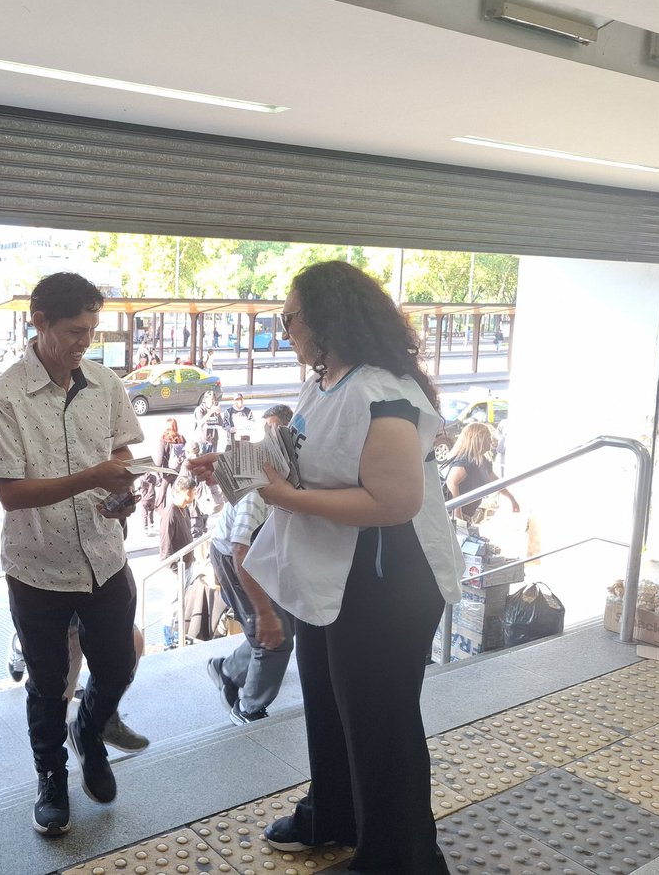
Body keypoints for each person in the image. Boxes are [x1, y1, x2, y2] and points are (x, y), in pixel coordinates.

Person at [192, 261, 462, 873]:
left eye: (289, 317)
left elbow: (395, 502)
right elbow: (297, 453)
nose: (284, 328)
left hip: (387, 580)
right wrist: (235, 466)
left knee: (380, 723)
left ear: (325, 318)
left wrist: (285, 498)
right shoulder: (326, 380)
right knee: (329, 703)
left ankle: (400, 859)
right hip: (329, 574)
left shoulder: (385, 392)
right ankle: (334, 811)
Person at [0, 271, 143, 837]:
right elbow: (11, 493)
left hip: (105, 556)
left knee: (118, 665)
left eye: (92, 331)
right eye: (75, 331)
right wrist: (94, 476)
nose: (85, 343)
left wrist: (121, 491)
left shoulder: (105, 383)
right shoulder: (4, 398)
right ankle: (51, 777)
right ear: (39, 321)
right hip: (37, 564)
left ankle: (89, 731)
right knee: (48, 685)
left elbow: (121, 453)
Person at [208, 403, 296, 725]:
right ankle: (247, 708)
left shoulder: (290, 468)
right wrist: (263, 613)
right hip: (235, 556)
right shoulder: (258, 488)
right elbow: (239, 551)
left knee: (282, 626)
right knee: (274, 638)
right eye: (266, 430)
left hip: (257, 552)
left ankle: (227, 670)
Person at [444, 422, 519, 523]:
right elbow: (451, 482)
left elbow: (496, 483)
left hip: (467, 514)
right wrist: (458, 515)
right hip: (455, 515)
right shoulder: (467, 459)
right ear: (478, 439)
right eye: (487, 438)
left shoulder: (482, 461)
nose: (490, 441)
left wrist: (512, 499)